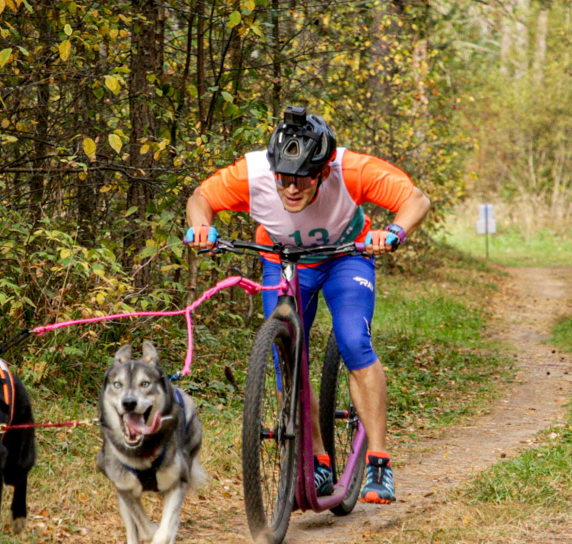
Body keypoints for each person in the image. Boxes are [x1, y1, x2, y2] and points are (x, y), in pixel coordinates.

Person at [184, 106, 430, 503]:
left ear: (323, 171)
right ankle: (318, 459)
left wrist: (394, 232)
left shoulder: (351, 170)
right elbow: (201, 198)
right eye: (284, 179)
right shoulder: (253, 174)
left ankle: (378, 462)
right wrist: (201, 227)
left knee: (353, 341)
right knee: (287, 357)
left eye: (303, 179)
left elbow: (416, 200)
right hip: (283, 260)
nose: (292, 189)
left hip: (345, 257)